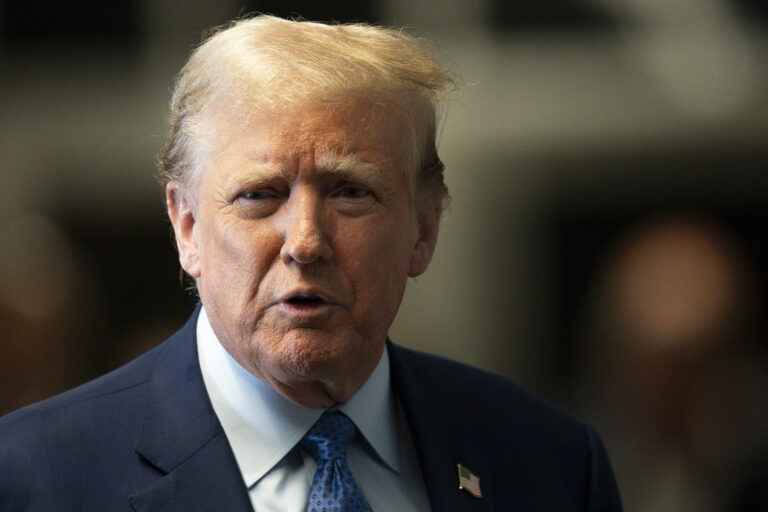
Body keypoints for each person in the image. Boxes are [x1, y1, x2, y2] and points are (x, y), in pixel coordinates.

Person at [0, 15, 622, 511]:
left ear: (425, 227)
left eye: (351, 192)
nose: (305, 240)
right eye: (259, 195)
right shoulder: (31, 477)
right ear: (187, 226)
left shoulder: (553, 464)